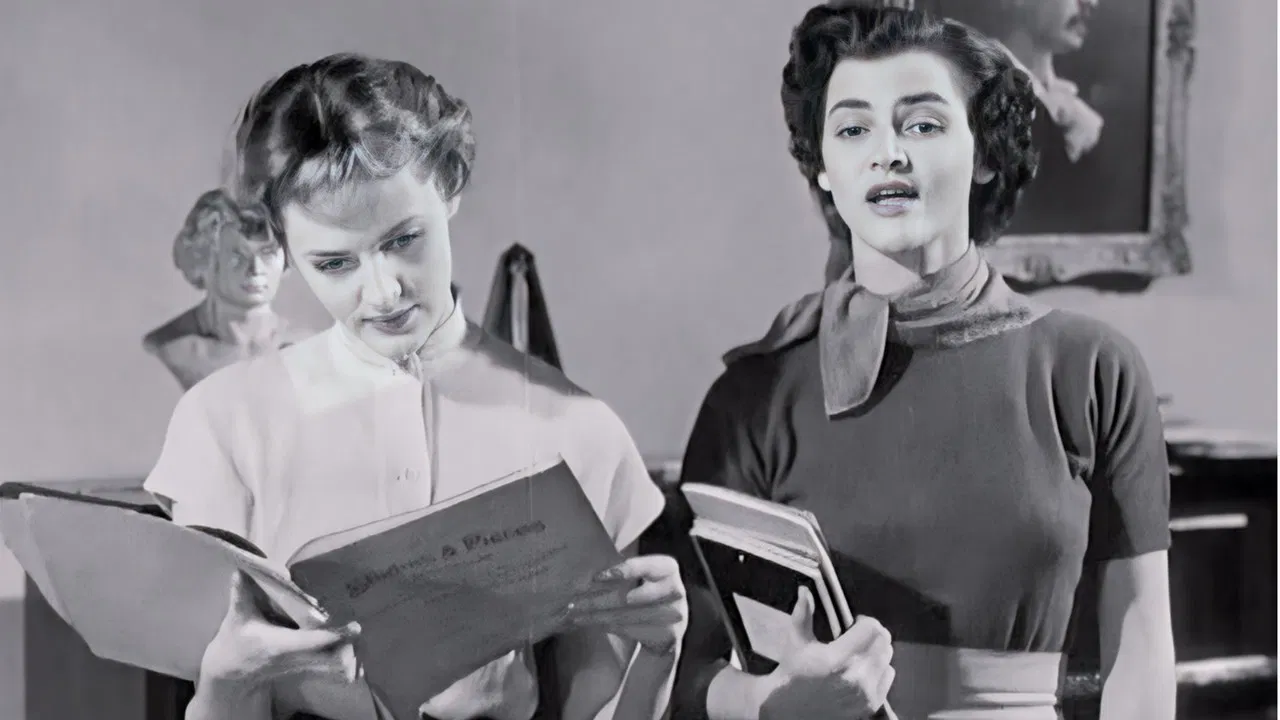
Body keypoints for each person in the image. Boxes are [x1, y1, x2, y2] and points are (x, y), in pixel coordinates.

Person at [143, 53, 686, 720]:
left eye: (403, 240)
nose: (382, 292)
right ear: (285, 248)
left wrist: (659, 655)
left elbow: (595, 705)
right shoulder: (224, 422)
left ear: (449, 184)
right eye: (334, 263)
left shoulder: (574, 426)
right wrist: (227, 683)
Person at [670, 5, 1175, 719]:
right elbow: (687, 674)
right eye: (853, 130)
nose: (888, 153)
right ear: (824, 171)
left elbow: (1141, 656)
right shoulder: (754, 396)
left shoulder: (1092, 370)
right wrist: (772, 701)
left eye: (923, 124)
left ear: (986, 155)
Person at [143, 188, 309, 390]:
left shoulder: (311, 347)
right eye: (238, 256)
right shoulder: (167, 349)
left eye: (267, 253)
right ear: (205, 257)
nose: (256, 269)